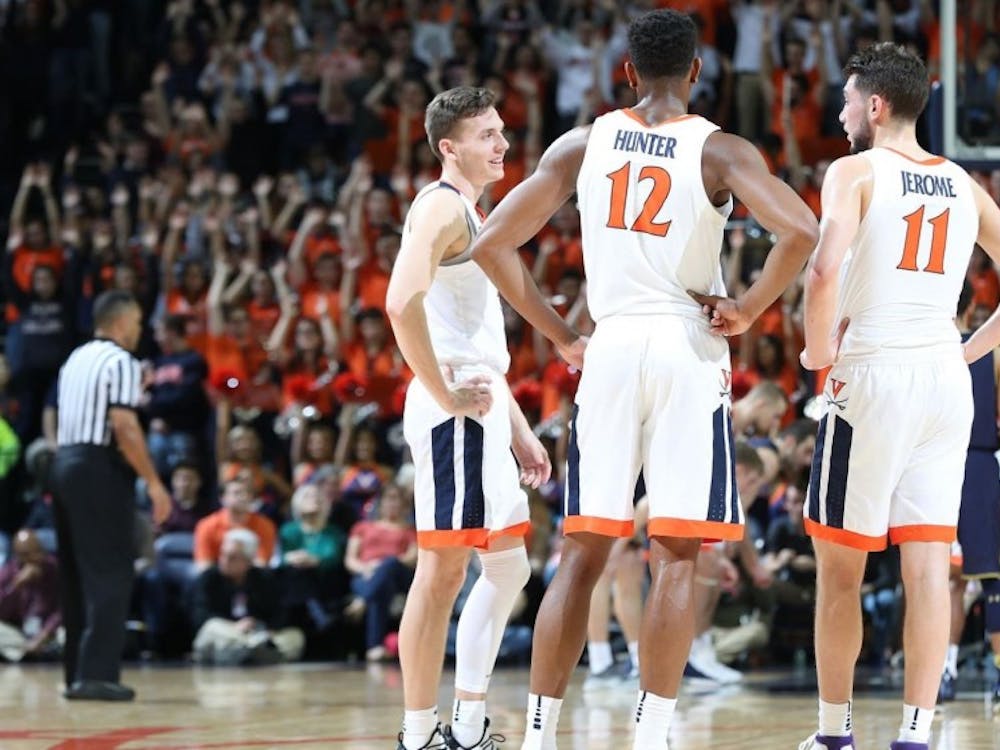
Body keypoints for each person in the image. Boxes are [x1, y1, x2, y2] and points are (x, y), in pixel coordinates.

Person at [472, 10, 818, 749]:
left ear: (626, 71)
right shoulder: (720, 149)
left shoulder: (581, 143)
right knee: (677, 555)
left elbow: (492, 242)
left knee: (583, 550)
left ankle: (538, 734)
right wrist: (751, 307)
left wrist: (563, 334)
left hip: (614, 343)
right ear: (697, 72)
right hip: (688, 344)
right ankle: (652, 732)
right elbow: (801, 232)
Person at [797, 42, 1000, 750]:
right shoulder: (965, 184)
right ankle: (916, 735)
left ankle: (833, 734)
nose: (842, 109)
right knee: (926, 564)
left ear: (875, 105)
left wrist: (816, 357)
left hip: (876, 371)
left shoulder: (853, 170)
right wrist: (969, 347)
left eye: (849, 99)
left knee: (839, 566)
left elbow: (823, 271)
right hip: (945, 380)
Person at [385, 85, 551, 750]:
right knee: (444, 571)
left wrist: (517, 430)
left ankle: (469, 721)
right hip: (452, 409)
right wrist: (447, 396)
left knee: (509, 567)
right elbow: (401, 304)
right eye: (487, 134)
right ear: (449, 147)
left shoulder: (473, 217)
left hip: (481, 406)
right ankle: (418, 735)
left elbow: (476, 344)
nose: (502, 144)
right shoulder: (442, 207)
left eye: (503, 131)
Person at [51, 290, 171, 701]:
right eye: (137, 323)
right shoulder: (121, 361)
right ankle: (98, 675)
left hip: (64, 462)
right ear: (120, 323)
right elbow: (125, 427)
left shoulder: (74, 359)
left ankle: (77, 673)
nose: (139, 331)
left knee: (77, 574)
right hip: (98, 467)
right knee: (112, 571)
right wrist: (154, 484)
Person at [938, 283, 1000, 703]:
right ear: (973, 306)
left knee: (943, 580)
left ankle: (942, 671)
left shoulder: (921, 350)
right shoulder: (990, 354)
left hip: (934, 465)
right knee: (992, 578)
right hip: (977, 465)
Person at [0, 529, 61, 662]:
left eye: (36, 552)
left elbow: (61, 611)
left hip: (50, 633)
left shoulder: (54, 569)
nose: (33, 557)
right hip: (20, 633)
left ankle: (37, 651)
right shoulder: (8, 572)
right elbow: (2, 615)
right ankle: (26, 653)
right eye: (25, 555)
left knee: (67, 635)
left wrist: (43, 636)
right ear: (17, 555)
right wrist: (16, 586)